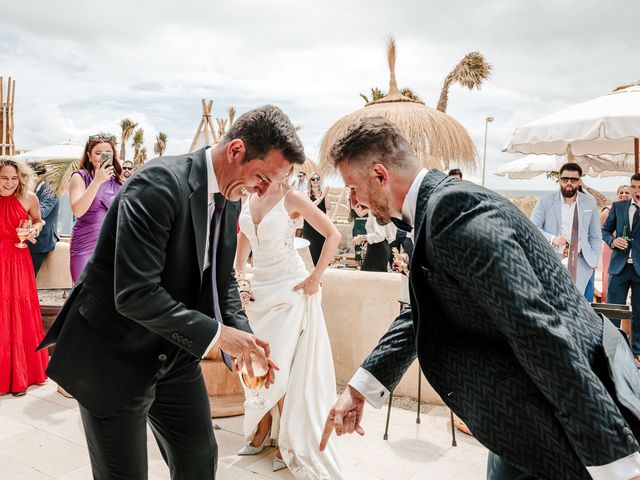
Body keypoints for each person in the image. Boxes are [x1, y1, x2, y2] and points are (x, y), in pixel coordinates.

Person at [320, 117, 640, 480]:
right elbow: (425, 311)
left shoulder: (451, 212)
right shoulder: (440, 208)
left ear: (380, 175)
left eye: (352, 187)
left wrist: (615, 461)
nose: (353, 200)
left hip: (564, 414)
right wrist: (361, 388)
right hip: (518, 418)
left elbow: (535, 327)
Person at [38, 105, 306, 480]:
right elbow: (133, 294)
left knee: (199, 459)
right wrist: (219, 336)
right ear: (235, 151)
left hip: (173, 353)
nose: (262, 190)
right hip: (115, 355)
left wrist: (243, 334)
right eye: (261, 176)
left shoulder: (229, 197)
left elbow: (221, 278)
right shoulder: (159, 183)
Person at [234, 177, 348, 478]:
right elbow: (240, 256)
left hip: (289, 290)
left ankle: (286, 439)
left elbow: (333, 235)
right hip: (258, 294)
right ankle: (262, 427)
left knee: (281, 367)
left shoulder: (292, 197)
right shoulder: (246, 196)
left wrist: (315, 278)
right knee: (253, 364)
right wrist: (242, 281)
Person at [0, 159, 49, 396]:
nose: (9, 183)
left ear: (20, 178)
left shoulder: (30, 198)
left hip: (19, 259)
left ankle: (21, 375)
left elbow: (39, 220)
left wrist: (36, 228)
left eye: (13, 178)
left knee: (20, 313)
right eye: (4, 177)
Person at [530, 163, 602, 301]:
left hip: (583, 262)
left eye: (573, 180)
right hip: (552, 260)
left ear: (579, 181)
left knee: (582, 304)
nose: (569, 183)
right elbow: (533, 227)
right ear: (559, 179)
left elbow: (595, 235)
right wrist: (552, 238)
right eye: (565, 179)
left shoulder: (589, 203)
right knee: (554, 301)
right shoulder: (544, 202)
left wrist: (593, 259)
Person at [69, 134, 123, 283]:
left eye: (107, 153)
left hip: (112, 246)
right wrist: (97, 181)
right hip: (84, 245)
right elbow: (78, 210)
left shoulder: (119, 181)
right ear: (89, 155)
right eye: (98, 153)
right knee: (83, 295)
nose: (101, 157)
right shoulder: (80, 177)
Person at [602, 173, 640, 369]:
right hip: (619, 267)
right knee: (613, 310)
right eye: (634, 187)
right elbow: (605, 231)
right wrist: (612, 240)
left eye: (639, 187)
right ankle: (611, 352)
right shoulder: (618, 207)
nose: (636, 191)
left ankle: (637, 353)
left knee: (639, 313)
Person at [599, 185, 631, 304]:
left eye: (627, 192)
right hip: (610, 248)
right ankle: (605, 301)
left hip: (629, 253)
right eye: (621, 192)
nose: (624, 195)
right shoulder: (609, 210)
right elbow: (600, 231)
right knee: (609, 277)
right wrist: (612, 240)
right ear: (617, 195)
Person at [27, 163, 59, 276]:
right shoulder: (34, 188)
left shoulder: (50, 189)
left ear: (36, 176)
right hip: (29, 239)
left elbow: (42, 212)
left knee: (29, 276)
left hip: (40, 240)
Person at [302, 172, 329, 265]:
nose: (316, 180)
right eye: (313, 179)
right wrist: (321, 197)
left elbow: (328, 207)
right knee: (311, 250)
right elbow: (311, 206)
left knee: (321, 249)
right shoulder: (306, 193)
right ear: (310, 181)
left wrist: (326, 195)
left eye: (317, 178)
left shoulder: (323, 192)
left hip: (322, 225)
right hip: (310, 225)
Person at [349, 200, 369, 268]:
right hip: (359, 227)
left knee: (369, 249)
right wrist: (372, 207)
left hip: (369, 226)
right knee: (358, 250)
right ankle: (357, 267)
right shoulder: (353, 200)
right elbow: (360, 214)